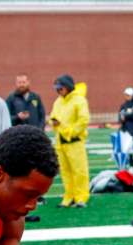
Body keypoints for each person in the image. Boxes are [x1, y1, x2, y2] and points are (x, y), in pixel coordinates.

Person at [50, 75, 90, 207]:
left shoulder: (79, 100)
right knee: (65, 172)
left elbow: (83, 120)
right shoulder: (58, 101)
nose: (58, 91)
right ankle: (69, 196)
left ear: (67, 87)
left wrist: (71, 132)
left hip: (75, 141)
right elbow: (52, 116)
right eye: (57, 89)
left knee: (79, 171)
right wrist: (53, 122)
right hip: (61, 142)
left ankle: (81, 198)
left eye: (60, 88)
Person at [118, 87, 133, 173]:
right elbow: (120, 117)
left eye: (128, 95)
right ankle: (131, 165)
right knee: (128, 149)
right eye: (126, 95)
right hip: (126, 130)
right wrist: (125, 115)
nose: (126, 97)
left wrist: (125, 115)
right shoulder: (123, 105)